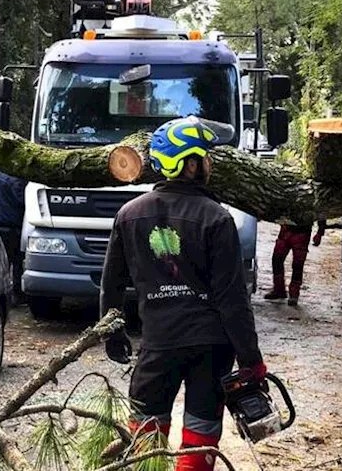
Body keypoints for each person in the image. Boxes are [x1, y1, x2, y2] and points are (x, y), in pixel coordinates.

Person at [100, 116, 266, 471]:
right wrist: (251, 359)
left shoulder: (129, 215)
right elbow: (233, 299)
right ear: (189, 163)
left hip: (158, 342)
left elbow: (112, 284)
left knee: (147, 436)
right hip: (211, 348)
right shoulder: (217, 219)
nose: (209, 164)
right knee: (200, 436)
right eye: (205, 157)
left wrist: (113, 333)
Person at [0, 171, 28, 301]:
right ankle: (17, 294)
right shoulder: (17, 181)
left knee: (2, 262)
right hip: (13, 226)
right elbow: (22, 201)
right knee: (17, 262)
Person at [264, 222, 320, 306]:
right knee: (277, 259)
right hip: (286, 230)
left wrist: (320, 233)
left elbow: (321, 212)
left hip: (302, 232)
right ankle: (279, 290)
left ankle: (293, 294)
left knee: (297, 265)